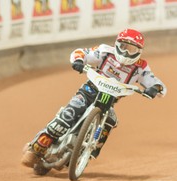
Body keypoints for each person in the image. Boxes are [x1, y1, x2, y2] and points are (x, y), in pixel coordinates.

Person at [21, 28, 167, 168]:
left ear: (139, 51)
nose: (126, 52)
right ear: (117, 44)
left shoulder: (140, 67)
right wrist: (78, 61)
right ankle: (36, 148)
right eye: (123, 46)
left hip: (109, 101)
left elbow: (157, 84)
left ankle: (85, 154)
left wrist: (154, 89)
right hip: (89, 92)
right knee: (68, 115)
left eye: (132, 49)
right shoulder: (104, 52)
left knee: (110, 121)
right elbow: (82, 53)